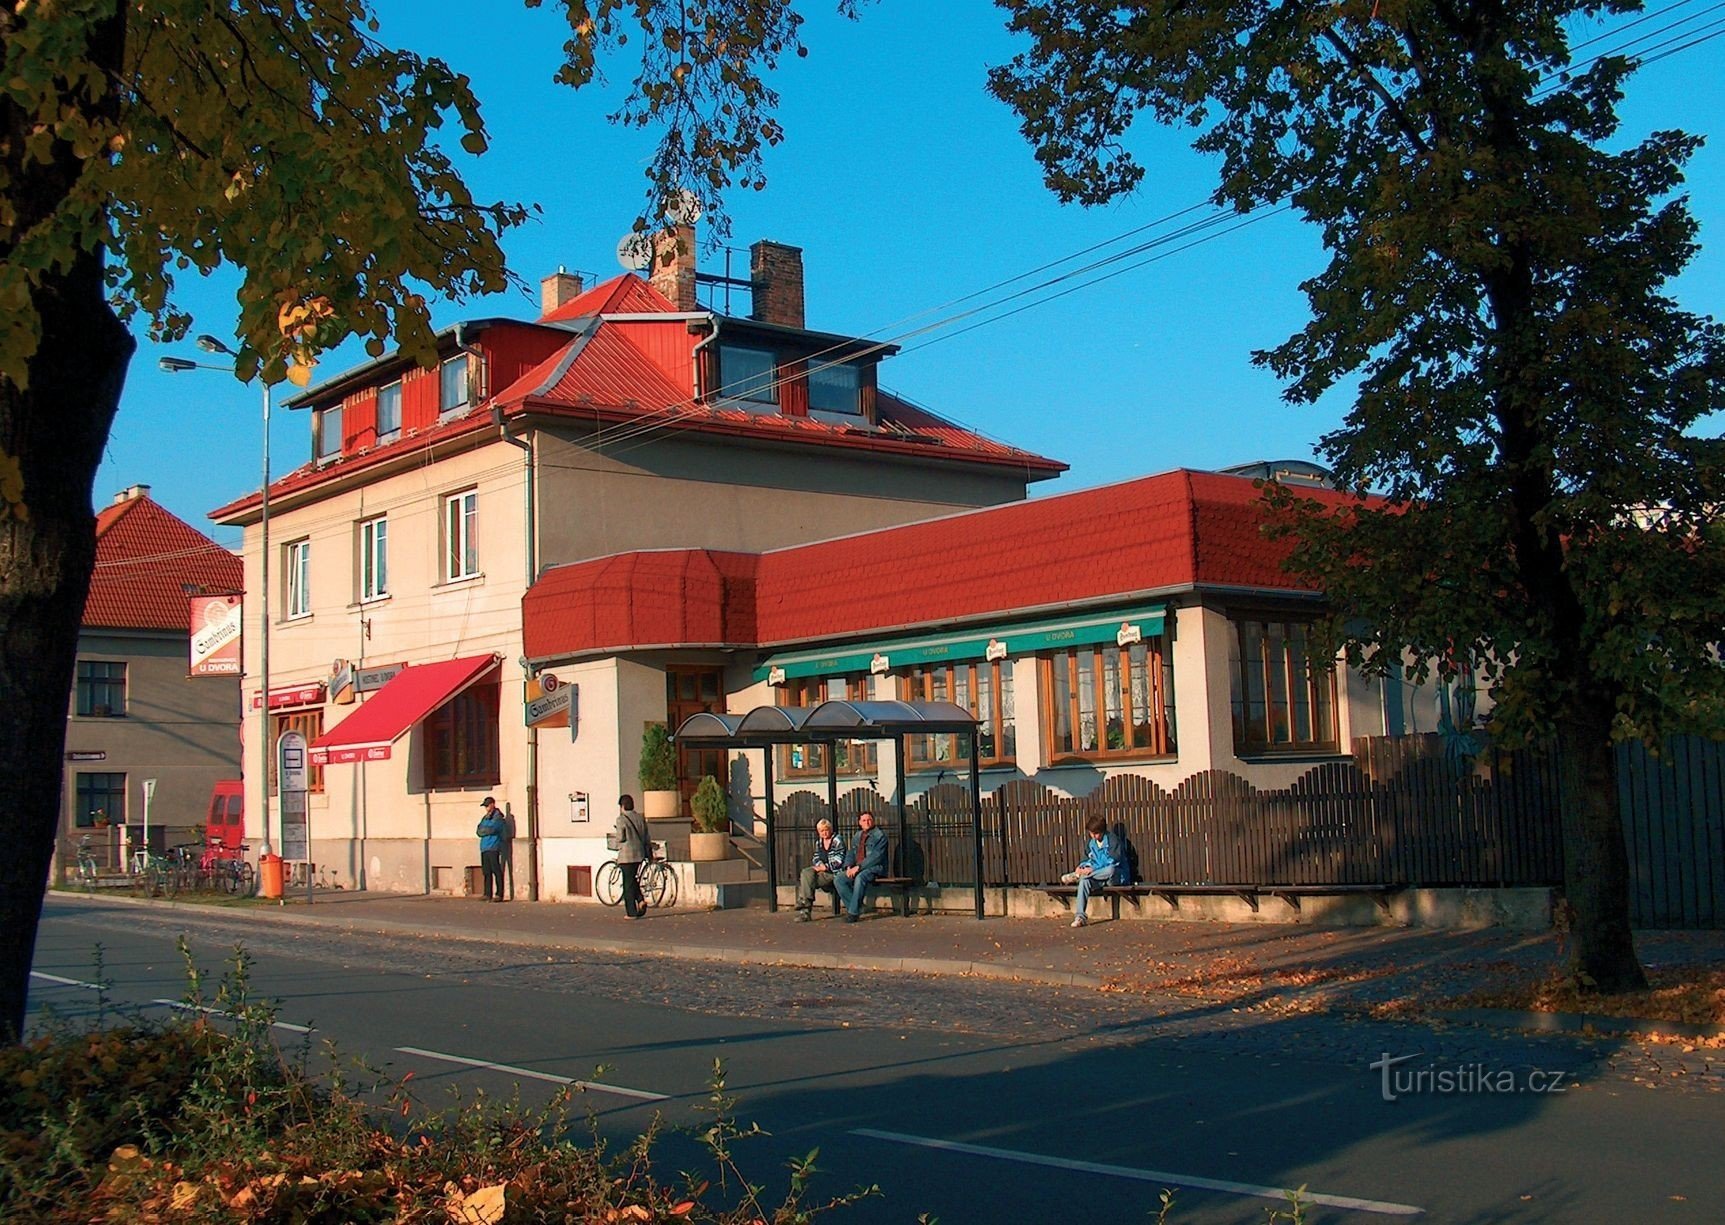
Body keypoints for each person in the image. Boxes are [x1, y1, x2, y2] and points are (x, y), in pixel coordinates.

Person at [1060, 814, 1116, 927]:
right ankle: (1080, 917)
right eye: (1092, 833)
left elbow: (1113, 861)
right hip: (1097, 878)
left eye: (1096, 833)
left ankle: (1077, 876)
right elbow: (1088, 859)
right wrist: (1082, 867)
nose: (1094, 836)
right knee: (1084, 881)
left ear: (1103, 831)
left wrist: (1092, 870)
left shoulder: (1113, 841)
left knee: (1110, 869)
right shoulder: (1091, 844)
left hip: (1114, 877)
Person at [832, 810, 886, 923]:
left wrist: (859, 867)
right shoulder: (857, 836)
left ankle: (853, 913)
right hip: (857, 867)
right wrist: (848, 866)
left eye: (869, 820)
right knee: (839, 879)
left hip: (875, 868)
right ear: (860, 822)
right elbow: (851, 853)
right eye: (864, 820)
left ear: (873, 821)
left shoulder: (880, 836)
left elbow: (876, 857)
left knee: (860, 877)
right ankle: (858, 907)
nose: (867, 822)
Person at [794, 818, 846, 921]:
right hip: (822, 871)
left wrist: (825, 867)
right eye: (822, 831)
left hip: (833, 873)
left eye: (826, 830)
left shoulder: (837, 840)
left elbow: (839, 860)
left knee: (808, 881)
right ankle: (805, 903)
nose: (824, 833)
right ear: (818, 832)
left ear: (830, 830)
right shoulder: (819, 842)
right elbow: (816, 857)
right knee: (806, 872)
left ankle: (805, 907)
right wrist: (820, 865)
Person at [613, 794, 650, 919]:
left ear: (622, 806)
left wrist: (616, 844)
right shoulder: (640, 818)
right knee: (632, 879)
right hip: (639, 854)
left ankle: (631, 912)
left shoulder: (621, 819)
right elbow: (646, 836)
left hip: (626, 856)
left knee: (627, 884)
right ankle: (640, 900)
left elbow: (620, 838)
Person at [476, 796, 508, 903]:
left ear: (492, 804)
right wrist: (486, 830)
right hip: (484, 847)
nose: (486, 808)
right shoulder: (484, 818)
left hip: (493, 846)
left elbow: (493, 829)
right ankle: (487, 893)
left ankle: (499, 893)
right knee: (486, 871)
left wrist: (485, 830)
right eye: (485, 806)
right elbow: (479, 830)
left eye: (487, 806)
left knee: (496, 870)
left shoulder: (498, 817)